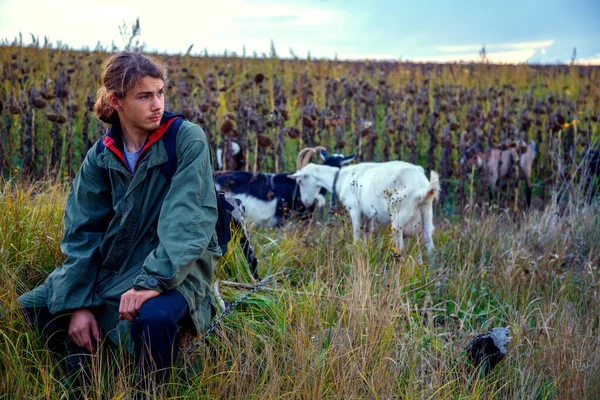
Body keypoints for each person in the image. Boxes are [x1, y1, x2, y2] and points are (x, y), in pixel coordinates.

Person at [18, 51, 221, 389]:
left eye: (160, 92)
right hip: (117, 266)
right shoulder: (102, 155)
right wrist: (78, 304)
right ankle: (91, 382)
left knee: (154, 319)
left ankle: (151, 391)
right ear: (117, 101)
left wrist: (149, 283)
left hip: (181, 264)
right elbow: (82, 234)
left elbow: (188, 222)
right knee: (33, 308)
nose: (157, 104)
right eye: (144, 96)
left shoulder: (185, 140)